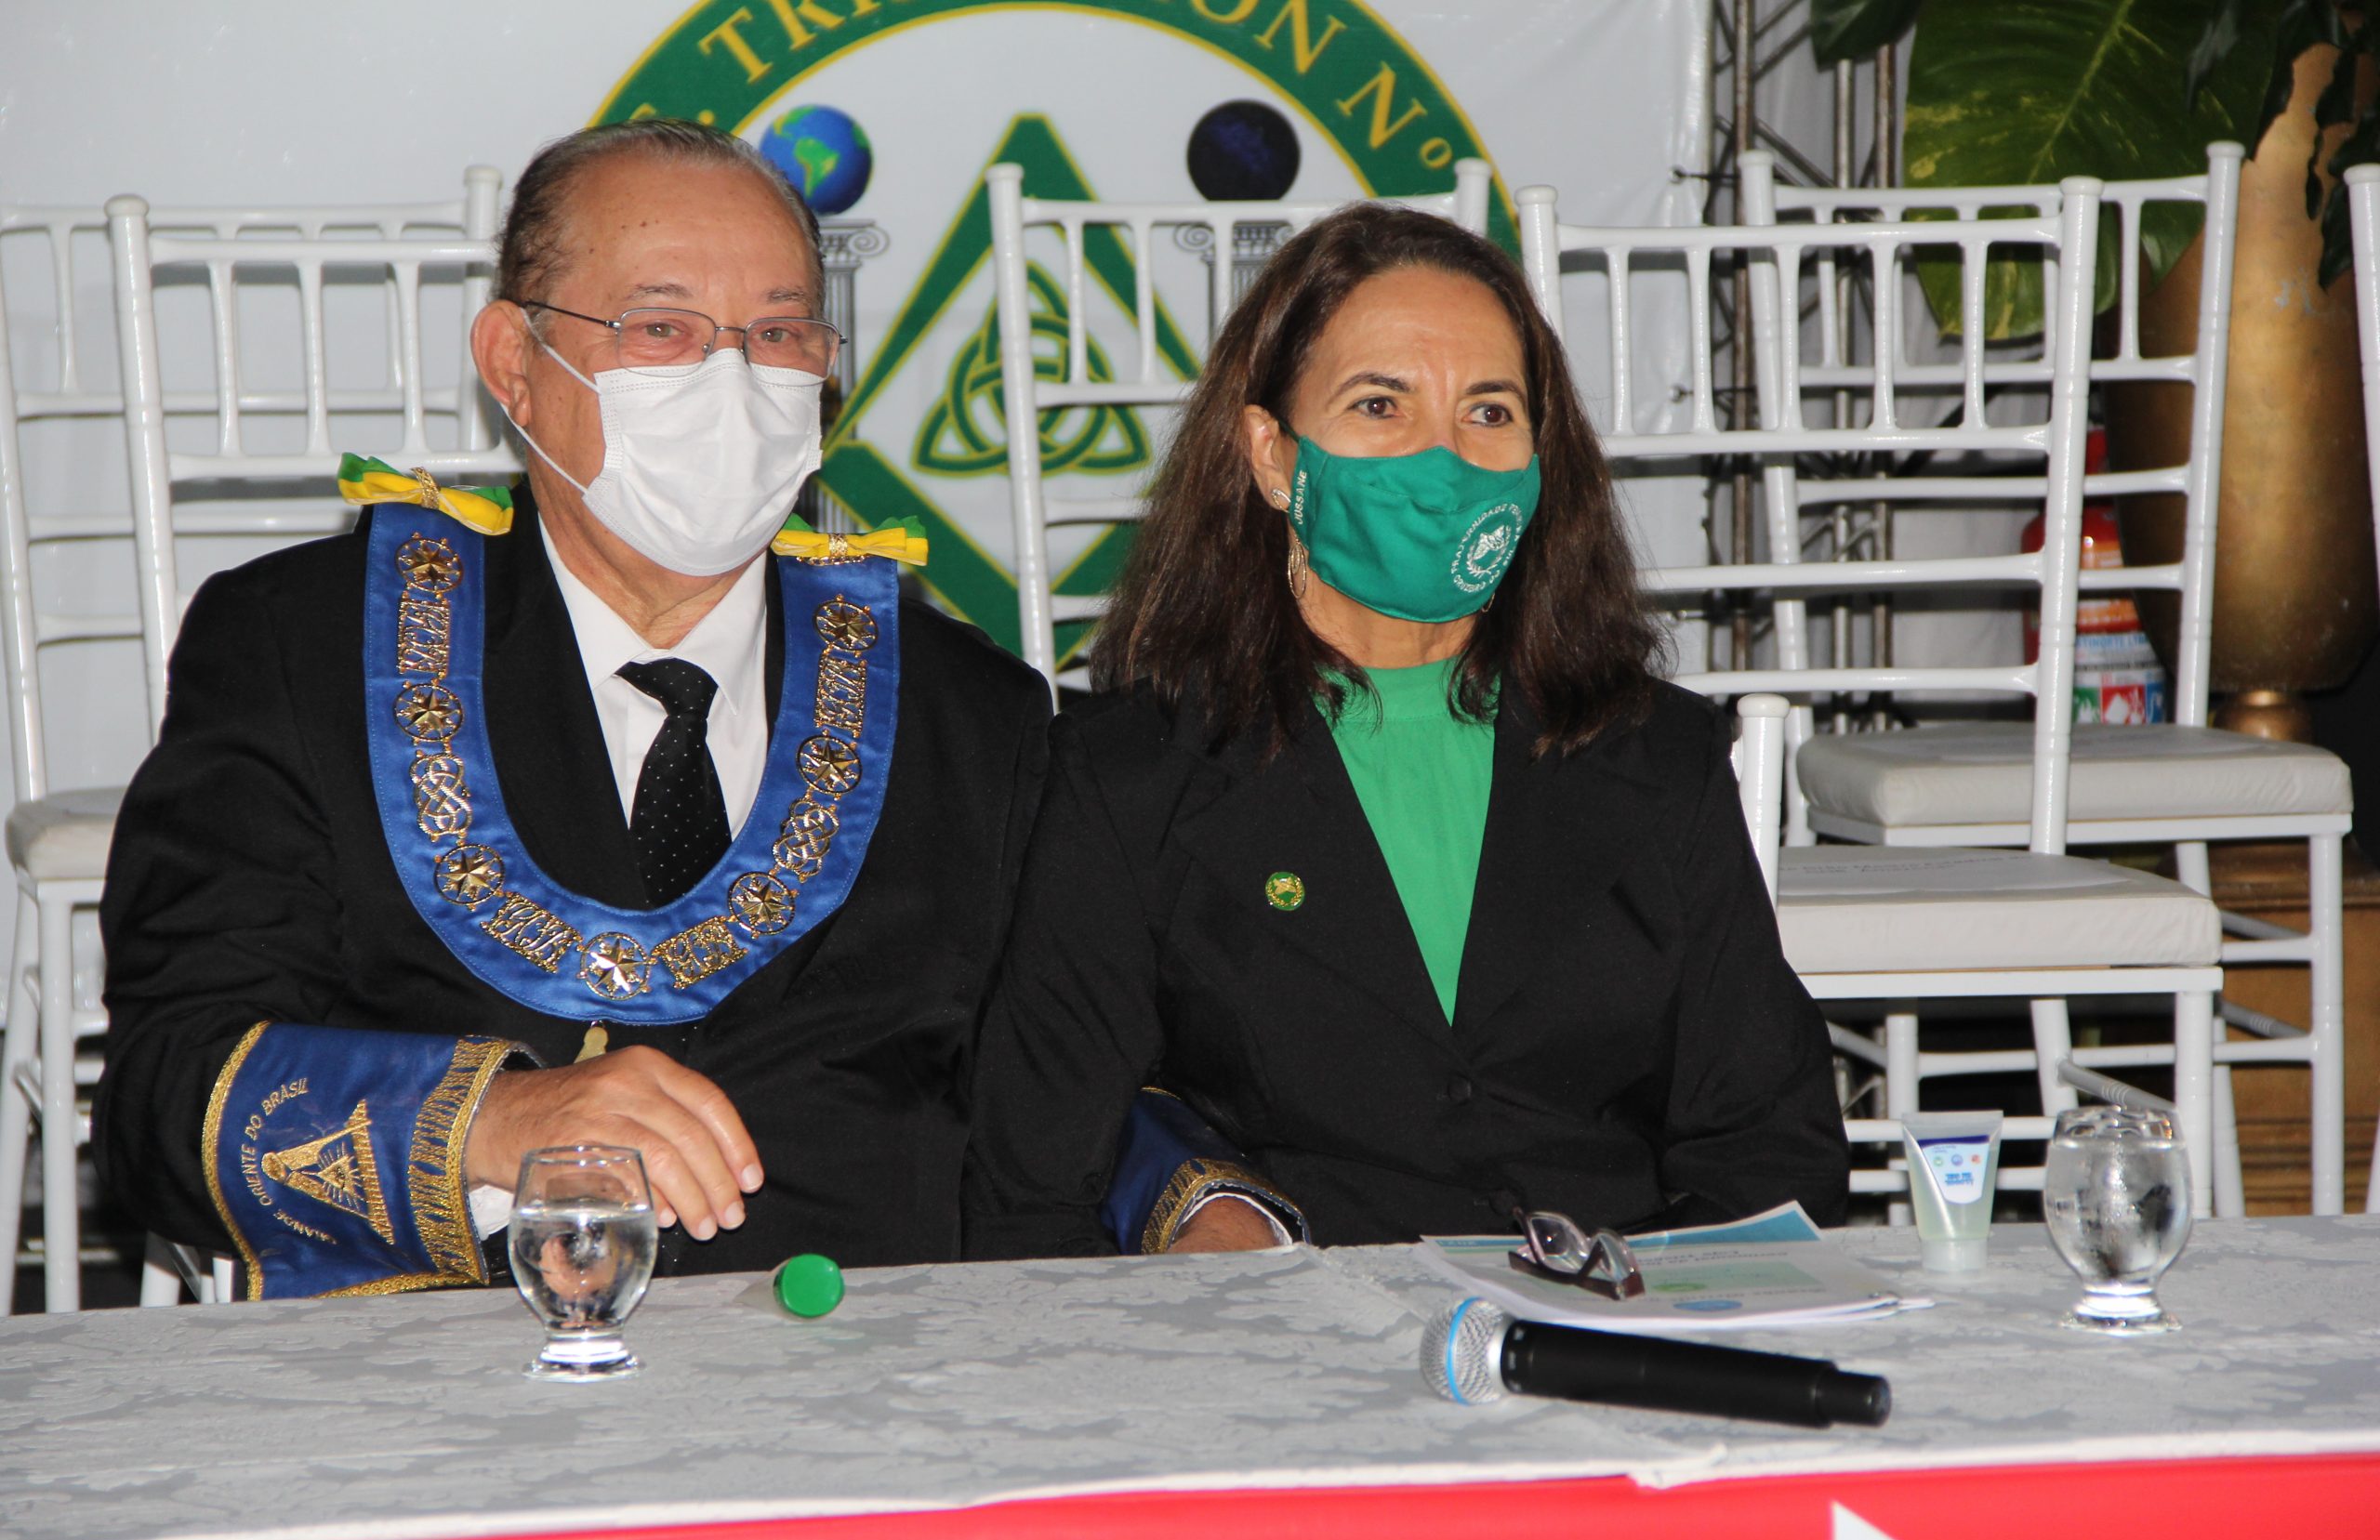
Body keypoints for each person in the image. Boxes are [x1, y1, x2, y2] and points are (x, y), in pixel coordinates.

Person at [94, 121, 1051, 1299]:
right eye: (661, 329)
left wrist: (1207, 1204)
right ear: (514, 364)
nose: (733, 382)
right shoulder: (309, 651)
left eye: (779, 332)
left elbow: (1071, 1087)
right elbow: (164, 1095)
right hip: (451, 1367)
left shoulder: (968, 713)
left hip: (862, 1362)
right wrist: (493, 1123)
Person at [962, 204, 1848, 1259]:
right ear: (1273, 456)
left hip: (1616, 1326)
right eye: (1380, 404)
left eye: (1488, 411)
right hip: (1300, 1336)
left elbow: (1767, 1147)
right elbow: (1032, 1184)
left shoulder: (1660, 757)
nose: (1443, 460)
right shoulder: (1129, 776)